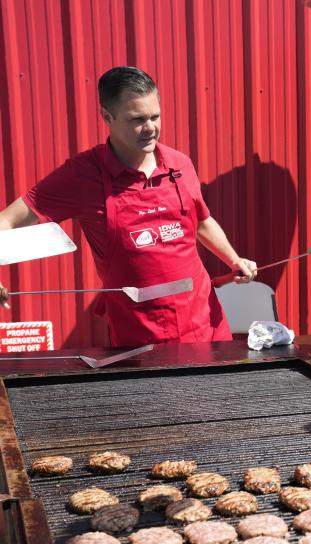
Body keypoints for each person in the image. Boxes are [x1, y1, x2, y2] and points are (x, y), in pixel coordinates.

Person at [0, 66, 256, 347]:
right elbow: (9, 220)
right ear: (107, 116)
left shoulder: (179, 163)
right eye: (137, 119)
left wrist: (234, 259)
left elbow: (201, 220)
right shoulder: (81, 175)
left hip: (205, 322)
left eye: (155, 116)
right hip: (141, 335)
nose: (150, 128)